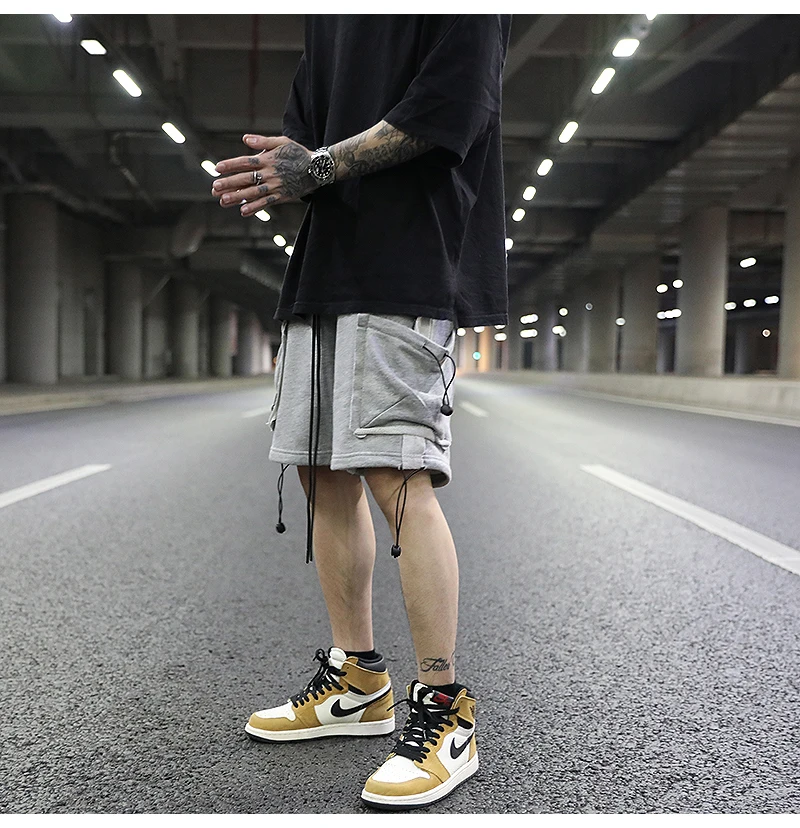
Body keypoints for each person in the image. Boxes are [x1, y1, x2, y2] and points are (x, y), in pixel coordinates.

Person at [212, 14, 511, 810]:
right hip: (324, 269)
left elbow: (446, 113)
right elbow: (304, 139)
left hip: (410, 263)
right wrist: (285, 170)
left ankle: (446, 713)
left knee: (396, 476)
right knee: (321, 473)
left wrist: (315, 168)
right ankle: (358, 682)